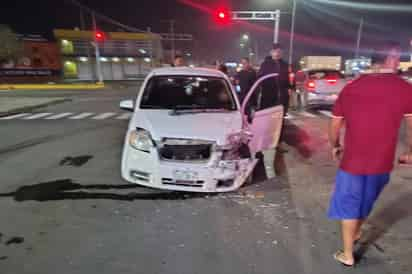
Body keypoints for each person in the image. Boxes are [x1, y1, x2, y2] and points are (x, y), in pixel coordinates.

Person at [328, 41, 412, 267]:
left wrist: (335, 145)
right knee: (366, 200)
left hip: (352, 162)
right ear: (390, 59)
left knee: (349, 203)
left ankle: (347, 254)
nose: (399, 61)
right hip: (382, 163)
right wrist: (410, 151)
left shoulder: (352, 87)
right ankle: (356, 233)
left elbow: (335, 124)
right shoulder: (404, 88)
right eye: (397, 57)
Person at [258, 43, 293, 113]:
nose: (277, 53)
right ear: (271, 52)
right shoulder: (265, 64)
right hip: (268, 96)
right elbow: (260, 79)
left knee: (280, 117)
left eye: (279, 51)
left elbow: (289, 80)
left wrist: (290, 88)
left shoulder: (285, 65)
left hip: (282, 97)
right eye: (276, 51)